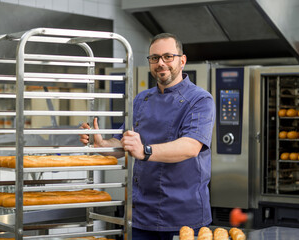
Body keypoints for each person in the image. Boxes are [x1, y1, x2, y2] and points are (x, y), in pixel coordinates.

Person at [80, 33, 215, 240]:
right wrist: (102, 144)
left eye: (168, 56)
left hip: (183, 217)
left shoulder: (200, 100)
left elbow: (190, 146)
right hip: (142, 215)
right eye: (154, 58)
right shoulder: (142, 99)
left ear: (182, 60)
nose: (161, 63)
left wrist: (145, 150)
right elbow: (123, 144)